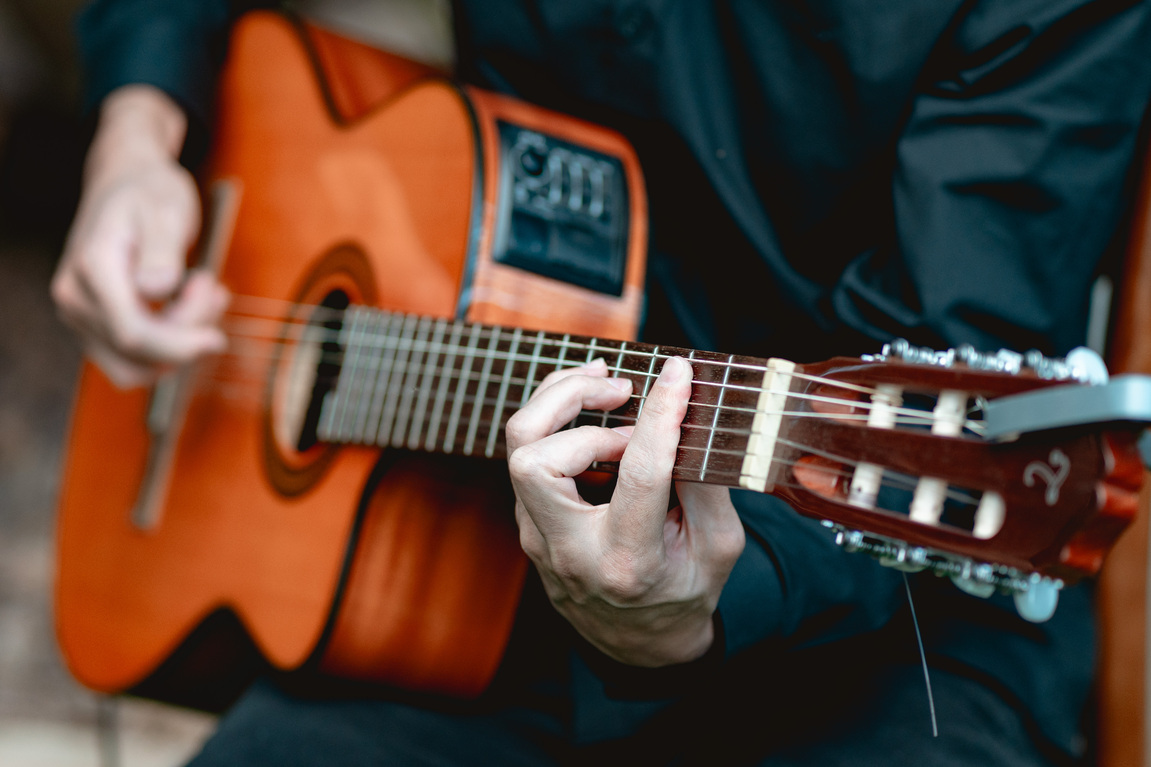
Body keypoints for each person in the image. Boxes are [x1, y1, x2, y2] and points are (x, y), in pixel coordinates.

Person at [51, 0, 1151, 764]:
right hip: (464, 566)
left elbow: (955, 349)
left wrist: (678, 615)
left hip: (868, 623)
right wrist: (139, 134)